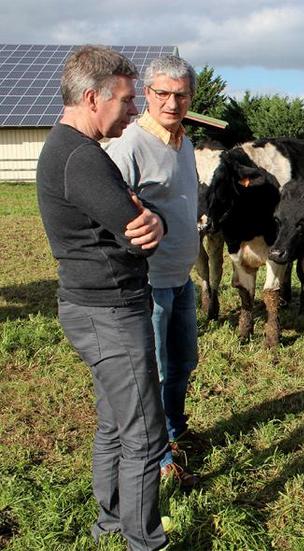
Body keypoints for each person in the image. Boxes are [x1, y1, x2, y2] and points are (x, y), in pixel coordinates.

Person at [36, 46, 169, 551]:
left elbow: (139, 215)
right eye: (128, 99)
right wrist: (151, 220)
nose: (135, 110)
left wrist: (147, 215)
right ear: (93, 98)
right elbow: (143, 231)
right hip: (110, 312)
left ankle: (111, 522)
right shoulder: (81, 158)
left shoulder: (71, 149)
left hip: (90, 306)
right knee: (144, 436)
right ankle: (144, 543)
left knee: (116, 422)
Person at [106, 55, 201, 487]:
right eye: (162, 93)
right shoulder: (128, 147)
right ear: (147, 94)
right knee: (156, 370)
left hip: (182, 278)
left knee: (183, 363)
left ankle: (176, 430)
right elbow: (108, 214)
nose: (171, 102)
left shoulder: (186, 143)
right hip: (150, 282)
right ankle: (157, 449)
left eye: (180, 94)